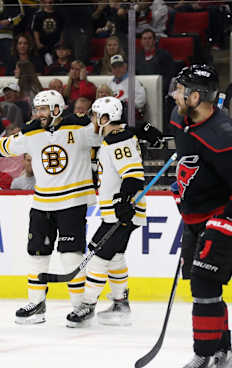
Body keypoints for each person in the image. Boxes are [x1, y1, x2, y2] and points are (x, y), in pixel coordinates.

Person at [0, 90, 99, 324]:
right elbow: (5, 146)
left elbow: (105, 135)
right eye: (37, 109)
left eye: (43, 109)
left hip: (72, 203)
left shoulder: (80, 129)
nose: (38, 113)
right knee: (37, 254)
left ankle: (81, 307)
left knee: (71, 256)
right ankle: (37, 303)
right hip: (42, 203)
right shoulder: (32, 132)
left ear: (57, 109)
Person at [169, 65, 232, 367]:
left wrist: (226, 223)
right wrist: (182, 187)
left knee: (205, 284)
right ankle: (223, 352)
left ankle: (205, 355)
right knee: (204, 286)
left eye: (181, 90)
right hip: (195, 216)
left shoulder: (224, 138)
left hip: (222, 216)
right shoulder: (178, 118)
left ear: (196, 96)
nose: (175, 94)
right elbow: (190, 161)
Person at [65, 96, 146, 328]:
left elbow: (133, 175)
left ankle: (87, 305)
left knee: (97, 256)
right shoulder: (117, 137)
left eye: (94, 115)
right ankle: (121, 302)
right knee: (115, 256)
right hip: (119, 211)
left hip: (122, 212)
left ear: (105, 118)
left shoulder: (118, 140)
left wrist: (123, 201)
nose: (92, 120)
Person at [136, 28, 175, 96]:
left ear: (154, 40)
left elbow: (168, 76)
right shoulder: (137, 57)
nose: (147, 41)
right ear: (141, 41)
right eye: (144, 39)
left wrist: (160, 89)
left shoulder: (164, 55)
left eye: (149, 38)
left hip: (159, 91)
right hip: (141, 91)